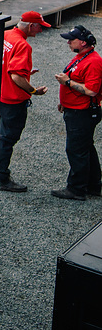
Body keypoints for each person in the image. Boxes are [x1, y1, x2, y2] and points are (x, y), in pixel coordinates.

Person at [0, 11, 51, 193]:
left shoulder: (3, 34)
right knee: (6, 138)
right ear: (31, 26)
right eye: (40, 27)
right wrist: (33, 90)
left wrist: (26, 72)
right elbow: (15, 76)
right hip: (13, 100)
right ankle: (2, 178)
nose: (40, 31)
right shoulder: (23, 45)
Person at [53, 24, 102, 201]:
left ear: (82, 42)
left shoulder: (93, 61)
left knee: (76, 150)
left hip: (82, 112)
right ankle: (93, 185)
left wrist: (67, 82)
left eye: (71, 40)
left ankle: (76, 188)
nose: (68, 43)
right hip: (76, 110)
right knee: (86, 147)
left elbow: (91, 91)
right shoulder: (83, 56)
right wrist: (64, 102)